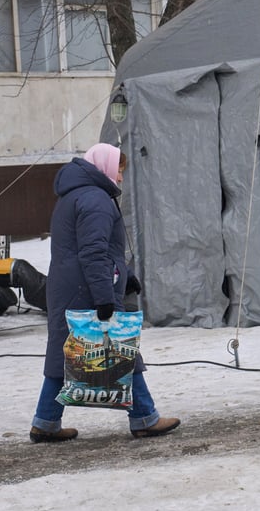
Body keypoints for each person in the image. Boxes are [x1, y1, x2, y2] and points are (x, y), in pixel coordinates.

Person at [29, 143, 181, 443]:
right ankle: (144, 418)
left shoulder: (73, 195)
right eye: (119, 170)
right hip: (87, 288)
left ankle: (45, 422)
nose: (121, 178)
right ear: (105, 167)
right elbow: (93, 253)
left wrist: (125, 278)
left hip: (69, 287)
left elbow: (94, 251)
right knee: (120, 348)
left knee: (66, 352)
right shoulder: (96, 199)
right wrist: (104, 297)